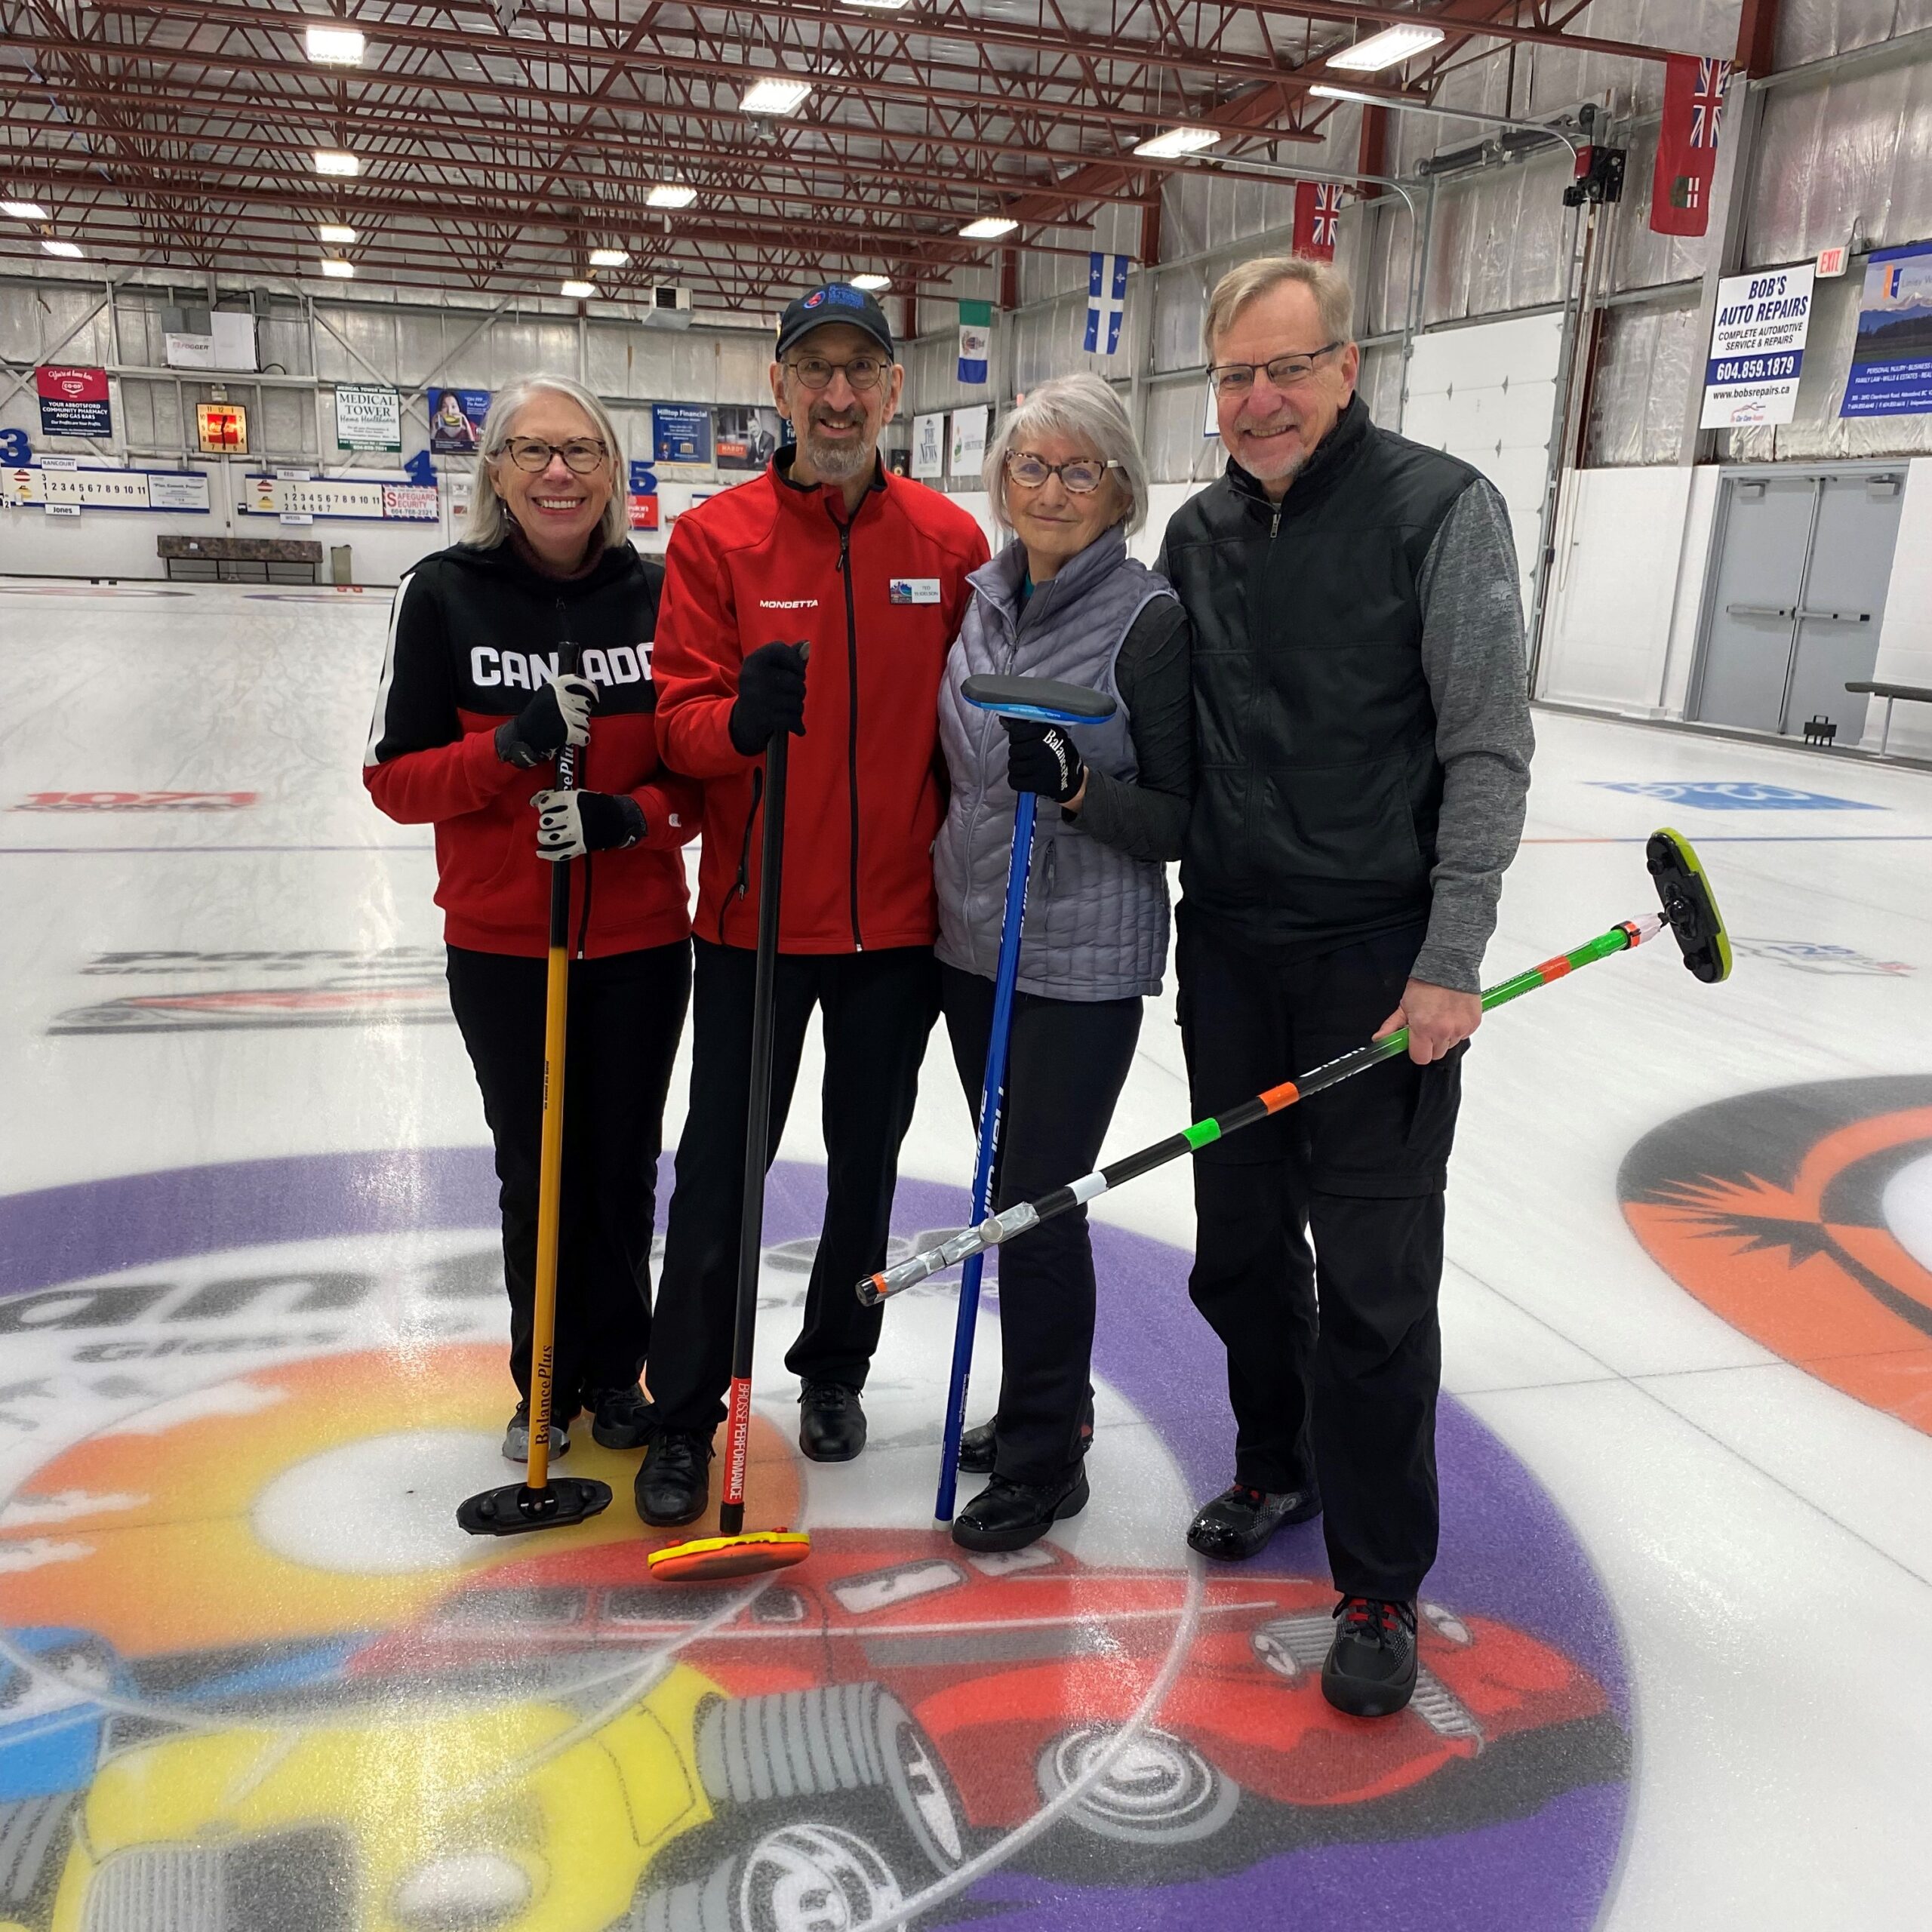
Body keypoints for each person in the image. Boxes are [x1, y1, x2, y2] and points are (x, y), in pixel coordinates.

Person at [1160, 257, 1534, 1718]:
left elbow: (1484, 740)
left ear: (1346, 366)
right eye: (1234, 377)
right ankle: (1276, 1457)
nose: (1258, 401)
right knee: (1237, 1245)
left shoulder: (1435, 508)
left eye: (1285, 369)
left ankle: (1378, 1578)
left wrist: (1446, 956)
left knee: (1373, 1285)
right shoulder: (1192, 531)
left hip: (1376, 957)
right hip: (1233, 943)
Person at [638, 283, 989, 1527]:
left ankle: (834, 1368)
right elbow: (677, 724)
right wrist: (735, 724)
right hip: (751, 924)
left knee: (867, 1167)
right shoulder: (716, 540)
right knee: (723, 1168)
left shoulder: (950, 546)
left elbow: (971, 734)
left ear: (896, 389)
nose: (838, 396)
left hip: (898, 927)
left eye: (862, 372)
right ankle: (684, 1412)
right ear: (778, 388)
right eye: (814, 372)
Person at [364, 374, 700, 1461]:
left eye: (582, 451)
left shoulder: (662, 597)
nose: (559, 472)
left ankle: (619, 1374)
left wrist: (626, 816)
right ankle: (543, 1379)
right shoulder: (442, 595)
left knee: (621, 1169)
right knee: (538, 1166)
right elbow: (394, 780)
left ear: (613, 473)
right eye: (532, 452)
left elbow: (700, 785)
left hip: (641, 944)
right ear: (496, 473)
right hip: (508, 946)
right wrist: (503, 748)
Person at [934, 374, 1191, 1552]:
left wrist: (1083, 791)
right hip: (974, 947)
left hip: (1082, 965)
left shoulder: (1150, 619)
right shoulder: (981, 599)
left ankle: (1048, 1456)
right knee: (1000, 1194)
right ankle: (1047, 1401)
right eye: (1029, 468)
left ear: (1121, 489)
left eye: (1077, 470)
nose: (1049, 490)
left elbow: (1184, 816)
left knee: (1037, 1204)